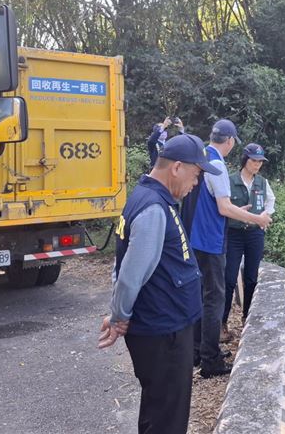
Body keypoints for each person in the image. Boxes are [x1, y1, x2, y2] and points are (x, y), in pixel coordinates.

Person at [97, 134, 220, 434]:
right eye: (196, 174)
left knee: (159, 411)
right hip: (163, 332)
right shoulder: (153, 207)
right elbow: (130, 273)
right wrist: (119, 316)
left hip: (165, 329)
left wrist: (119, 311)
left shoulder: (150, 198)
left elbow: (125, 264)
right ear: (177, 168)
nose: (196, 184)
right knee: (167, 419)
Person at [189, 119, 272, 378]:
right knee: (214, 298)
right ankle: (210, 361)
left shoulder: (200, 154)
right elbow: (224, 208)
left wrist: (241, 212)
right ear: (231, 141)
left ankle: (198, 350)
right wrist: (257, 219)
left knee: (203, 294)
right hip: (209, 240)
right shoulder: (217, 165)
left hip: (195, 237)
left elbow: (216, 204)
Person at [221, 143, 275, 339]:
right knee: (228, 278)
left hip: (254, 234)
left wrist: (265, 216)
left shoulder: (262, 183)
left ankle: (247, 319)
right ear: (245, 160)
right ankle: (222, 322)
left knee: (252, 278)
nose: (257, 165)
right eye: (254, 161)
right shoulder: (229, 181)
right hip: (234, 234)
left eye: (260, 161)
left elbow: (271, 202)